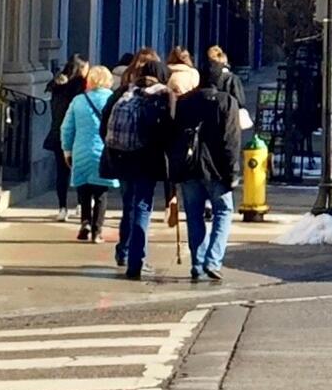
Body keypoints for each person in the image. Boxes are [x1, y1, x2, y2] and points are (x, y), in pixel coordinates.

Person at [171, 49, 250, 283]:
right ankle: (213, 260)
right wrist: (232, 171)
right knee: (223, 212)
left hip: (190, 167)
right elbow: (230, 140)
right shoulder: (227, 102)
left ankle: (197, 261)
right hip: (216, 168)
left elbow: (175, 135)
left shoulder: (185, 102)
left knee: (194, 215)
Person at [99, 51, 171, 280]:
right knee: (142, 208)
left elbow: (104, 124)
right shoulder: (161, 95)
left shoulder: (125, 92)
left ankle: (125, 251)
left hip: (121, 158)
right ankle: (136, 262)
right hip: (146, 160)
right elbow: (166, 131)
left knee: (128, 206)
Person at [60, 65, 116, 243]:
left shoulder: (78, 100)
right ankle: (97, 231)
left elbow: (67, 128)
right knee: (101, 194)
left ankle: (85, 222)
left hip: (81, 150)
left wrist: (67, 150)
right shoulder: (113, 99)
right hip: (104, 152)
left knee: (83, 189)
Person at [43, 55, 91, 217]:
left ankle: (62, 208)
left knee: (62, 172)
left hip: (58, 133)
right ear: (81, 68)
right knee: (80, 171)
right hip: (78, 133)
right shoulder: (81, 86)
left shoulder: (57, 84)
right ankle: (80, 204)